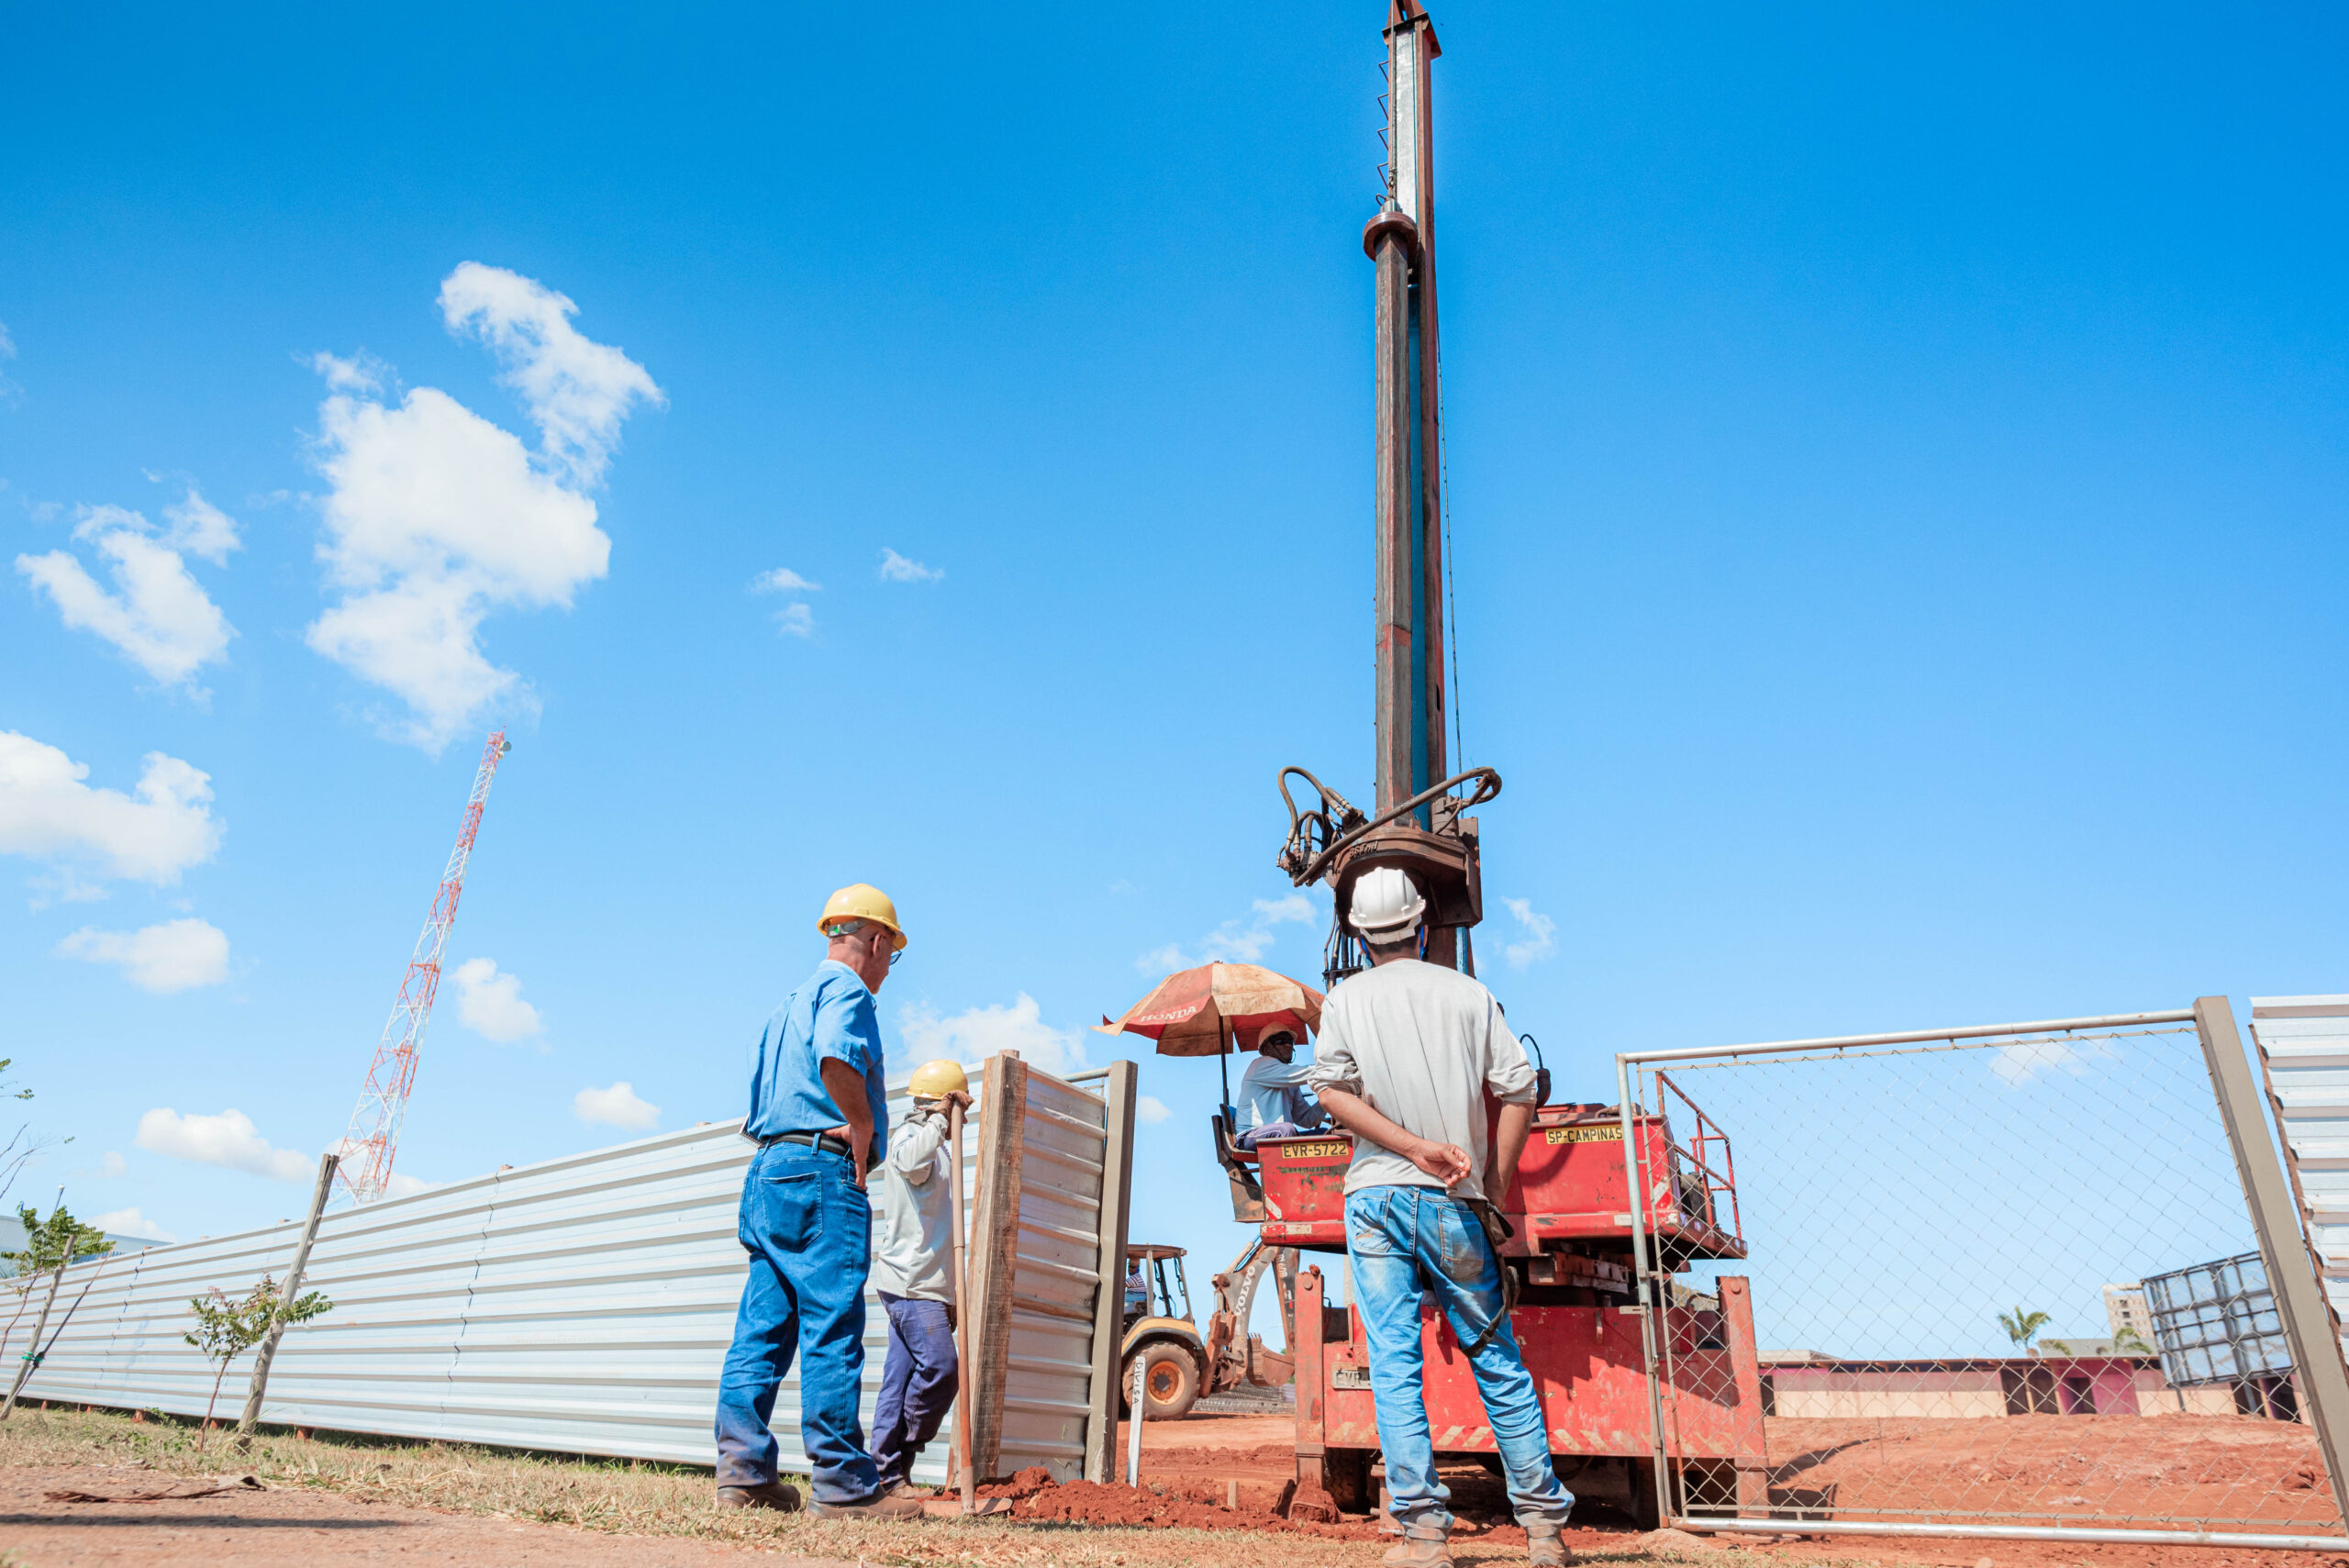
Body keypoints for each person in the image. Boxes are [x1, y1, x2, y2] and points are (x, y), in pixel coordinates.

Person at [1305, 866, 1574, 1568]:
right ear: (1422, 927)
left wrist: (1406, 1146)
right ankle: (1544, 1530)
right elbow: (1520, 1091)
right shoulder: (1468, 994)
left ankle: (1424, 1535)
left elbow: (1331, 1091)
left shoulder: (1344, 999)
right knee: (1496, 1356)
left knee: (1395, 1364)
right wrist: (1492, 1186)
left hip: (1374, 1200)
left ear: (1361, 936)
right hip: (1456, 1201)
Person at [714, 883, 928, 1519]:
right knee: (831, 1325)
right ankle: (843, 1485)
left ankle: (743, 1474)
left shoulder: (788, 1003)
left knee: (762, 1328)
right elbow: (837, 1056)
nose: (887, 967)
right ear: (878, 941)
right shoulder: (848, 991)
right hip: (821, 1171)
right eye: (891, 953)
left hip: (770, 1167)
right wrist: (860, 1126)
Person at [869, 1058, 974, 1496]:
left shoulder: (939, 1149)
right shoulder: (911, 1138)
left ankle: (885, 1473)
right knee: (943, 1369)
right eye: (958, 1107)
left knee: (899, 1379)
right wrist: (938, 1121)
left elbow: (939, 1231)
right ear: (941, 1104)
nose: (962, 1118)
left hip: (924, 1286)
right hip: (911, 1284)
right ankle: (900, 1454)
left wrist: (950, 1296)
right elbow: (911, 1163)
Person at [1234, 1028, 1330, 1149]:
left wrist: (1330, 1095)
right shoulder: (1261, 1065)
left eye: (1290, 1041)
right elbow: (1306, 1073)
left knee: (1327, 1135)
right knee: (1285, 1130)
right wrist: (1335, 1070)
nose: (1288, 1045)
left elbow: (1306, 1119)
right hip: (1249, 1136)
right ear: (1267, 1048)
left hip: (1281, 1134)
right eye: (1281, 1041)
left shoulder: (1289, 1079)